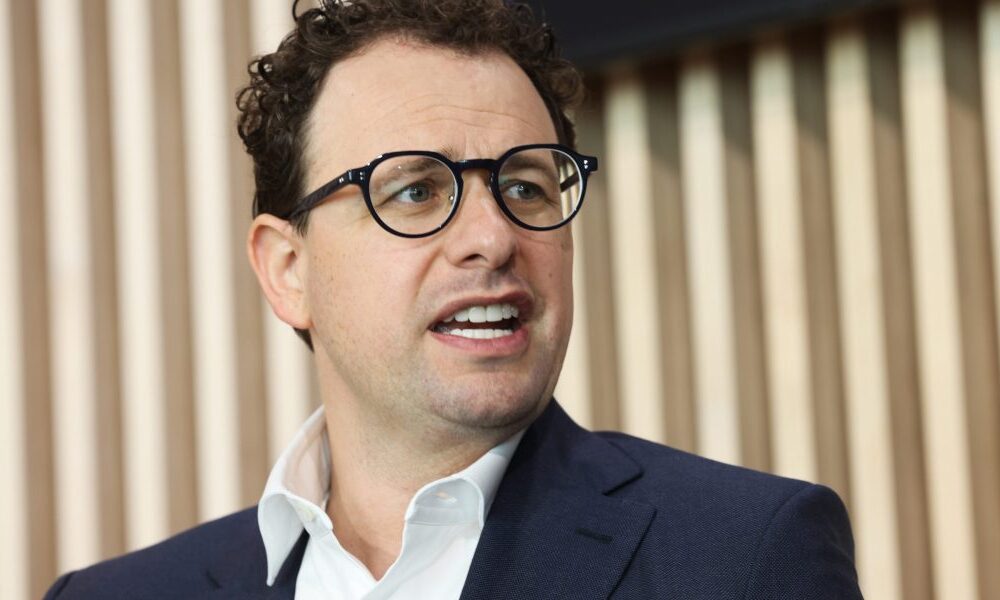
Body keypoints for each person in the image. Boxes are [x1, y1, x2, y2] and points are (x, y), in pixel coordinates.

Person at [45, 1, 863, 598]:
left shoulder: (744, 559)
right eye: (415, 190)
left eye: (526, 185)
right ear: (288, 270)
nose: (493, 238)